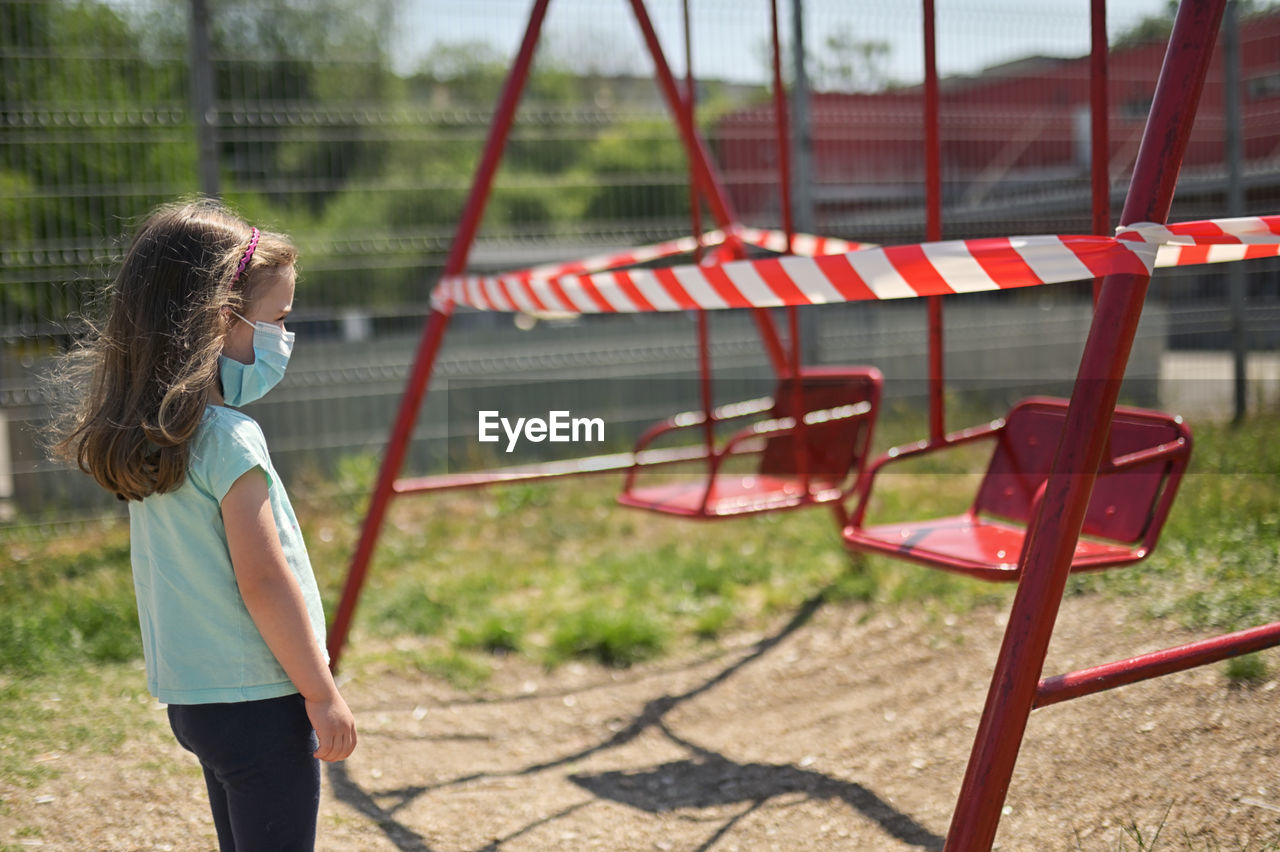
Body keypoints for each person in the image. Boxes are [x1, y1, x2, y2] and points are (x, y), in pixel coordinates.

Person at [47, 198, 356, 851]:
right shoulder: (230, 439)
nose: (280, 339)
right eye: (276, 320)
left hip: (196, 702)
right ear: (222, 319)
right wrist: (321, 692)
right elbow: (265, 583)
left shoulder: (149, 435)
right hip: (262, 701)